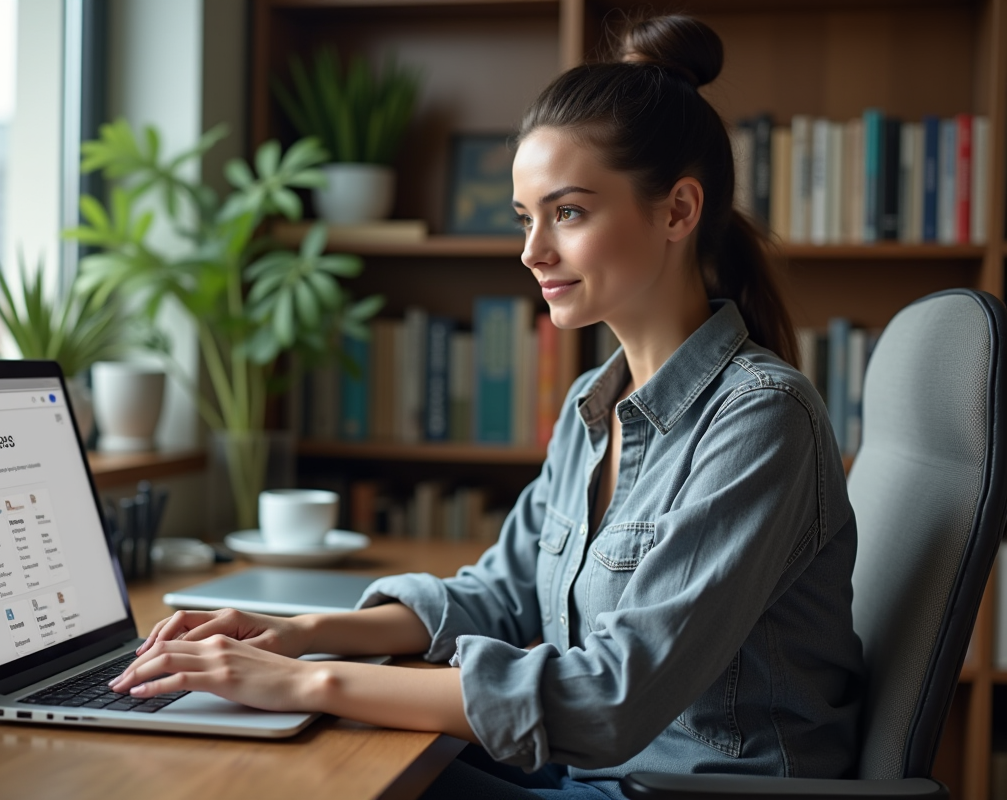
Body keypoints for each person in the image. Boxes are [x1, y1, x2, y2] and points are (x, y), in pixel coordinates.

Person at [108, 13, 864, 798]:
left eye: (567, 213)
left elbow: (608, 700)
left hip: (686, 788)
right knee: (318, 749)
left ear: (677, 211)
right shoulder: (593, 404)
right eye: (525, 217)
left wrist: (308, 683)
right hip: (598, 775)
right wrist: (298, 637)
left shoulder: (760, 419)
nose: (533, 250)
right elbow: (501, 594)